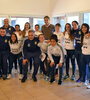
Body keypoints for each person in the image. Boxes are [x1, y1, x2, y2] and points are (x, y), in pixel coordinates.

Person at [79, 23, 90, 89]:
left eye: (85, 27)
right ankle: (83, 81)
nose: (84, 29)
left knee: (89, 69)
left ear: (87, 28)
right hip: (83, 54)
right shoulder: (82, 35)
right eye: (83, 27)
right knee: (83, 68)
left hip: (89, 55)